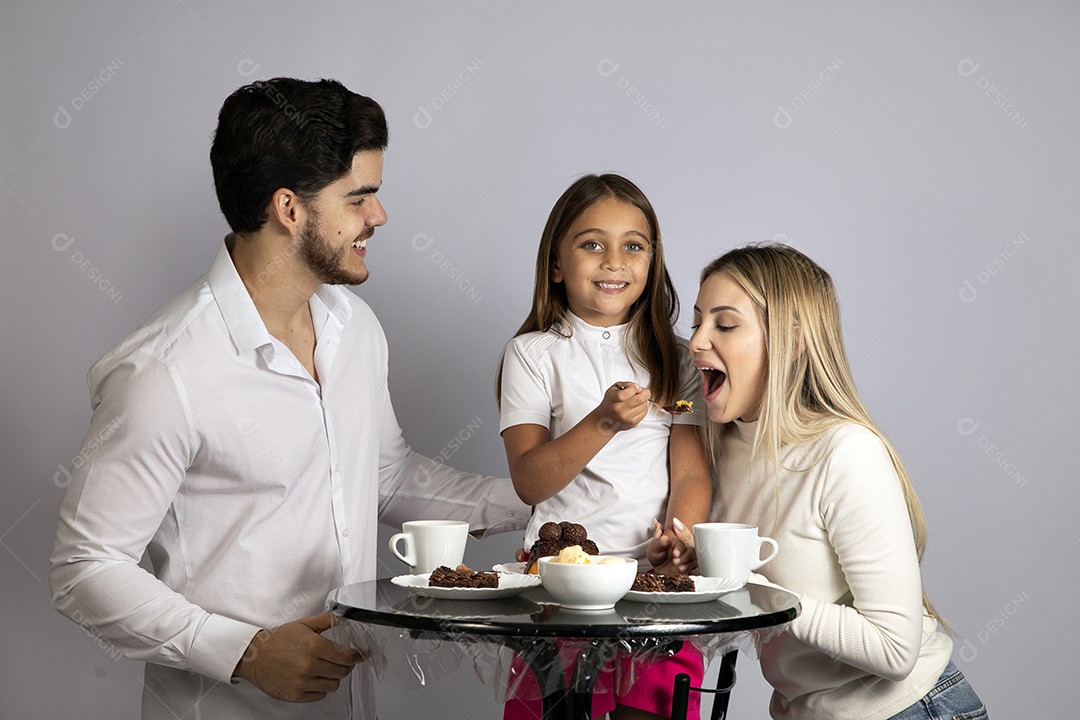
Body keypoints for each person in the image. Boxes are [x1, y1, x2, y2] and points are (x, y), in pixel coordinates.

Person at [49, 77, 527, 720]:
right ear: (288, 209)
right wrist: (245, 652)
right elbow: (84, 567)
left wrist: (540, 497)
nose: (379, 216)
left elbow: (384, 478)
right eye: (359, 198)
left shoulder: (354, 328)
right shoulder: (163, 371)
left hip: (348, 704)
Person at [691, 243, 987, 720]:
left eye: (724, 325)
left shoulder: (845, 452)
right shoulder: (715, 450)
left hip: (909, 710)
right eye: (696, 323)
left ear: (793, 341)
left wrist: (757, 591)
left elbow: (894, 650)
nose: (696, 342)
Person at [497, 174, 713, 720]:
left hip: (651, 585)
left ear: (652, 262)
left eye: (633, 246)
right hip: (558, 588)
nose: (614, 261)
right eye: (592, 244)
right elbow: (530, 481)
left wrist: (678, 541)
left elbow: (690, 475)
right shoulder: (532, 355)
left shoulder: (678, 359)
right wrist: (602, 422)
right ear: (556, 264)